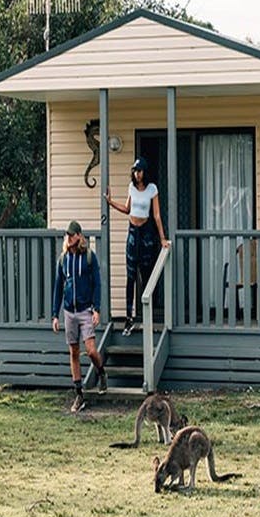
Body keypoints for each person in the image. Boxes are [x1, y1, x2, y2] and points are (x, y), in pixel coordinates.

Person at [104, 156, 170, 336]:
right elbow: (127, 209)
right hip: (133, 232)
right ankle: (128, 319)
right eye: (134, 171)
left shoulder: (152, 189)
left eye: (139, 171)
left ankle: (149, 319)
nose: (137, 174)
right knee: (130, 276)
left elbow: (156, 215)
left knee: (147, 276)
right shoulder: (131, 187)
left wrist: (162, 238)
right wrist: (110, 203)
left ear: (144, 172)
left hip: (147, 232)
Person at [52, 220, 107, 413]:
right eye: (67, 235)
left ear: (79, 236)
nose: (69, 238)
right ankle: (79, 394)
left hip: (85, 310)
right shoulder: (63, 259)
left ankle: (101, 372)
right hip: (69, 311)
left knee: (91, 351)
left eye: (72, 235)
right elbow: (58, 287)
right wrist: (55, 315)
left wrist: (97, 309)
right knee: (74, 353)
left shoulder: (89, 258)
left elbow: (97, 284)